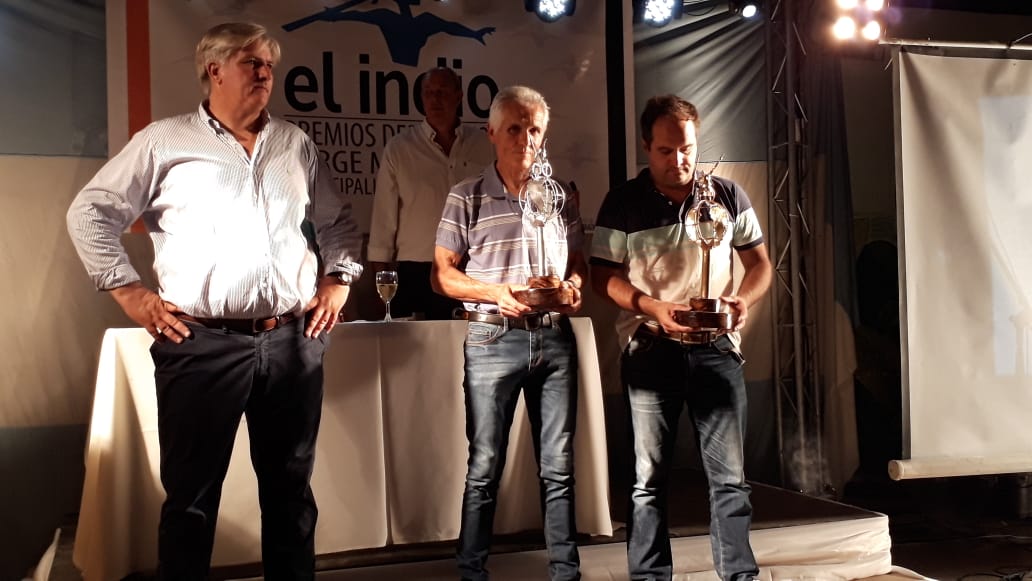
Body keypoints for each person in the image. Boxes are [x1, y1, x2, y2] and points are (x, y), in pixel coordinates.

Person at [66, 22, 363, 580]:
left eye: (269, 64)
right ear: (215, 70)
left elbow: (337, 222)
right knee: (192, 501)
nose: (265, 73)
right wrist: (130, 294)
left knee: (291, 494)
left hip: (291, 341)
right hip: (200, 344)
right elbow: (90, 212)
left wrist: (339, 279)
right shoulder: (165, 140)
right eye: (252, 62)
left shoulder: (294, 143)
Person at [589, 95, 772, 581]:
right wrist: (652, 307)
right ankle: (651, 577)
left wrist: (742, 301)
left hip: (717, 350)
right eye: (666, 151)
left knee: (730, 480)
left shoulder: (727, 195)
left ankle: (739, 576)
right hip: (651, 348)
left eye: (687, 148)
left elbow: (760, 264)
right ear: (646, 147)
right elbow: (601, 276)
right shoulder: (623, 202)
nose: (679, 160)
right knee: (648, 481)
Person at [432, 85, 586, 581]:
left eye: (534, 129)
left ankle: (566, 572)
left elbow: (578, 263)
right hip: (492, 337)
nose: (525, 138)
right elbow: (442, 276)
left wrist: (575, 287)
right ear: (492, 133)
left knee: (559, 467)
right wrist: (495, 292)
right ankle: (472, 571)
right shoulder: (467, 195)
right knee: (484, 465)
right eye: (514, 128)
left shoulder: (560, 196)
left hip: (555, 337)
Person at [368, 66, 493, 320]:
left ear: (459, 96)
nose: (435, 99)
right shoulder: (400, 149)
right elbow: (382, 226)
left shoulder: (484, 145)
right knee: (418, 347)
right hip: (416, 275)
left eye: (442, 91)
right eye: (428, 92)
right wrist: (381, 294)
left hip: (475, 269)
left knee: (472, 343)